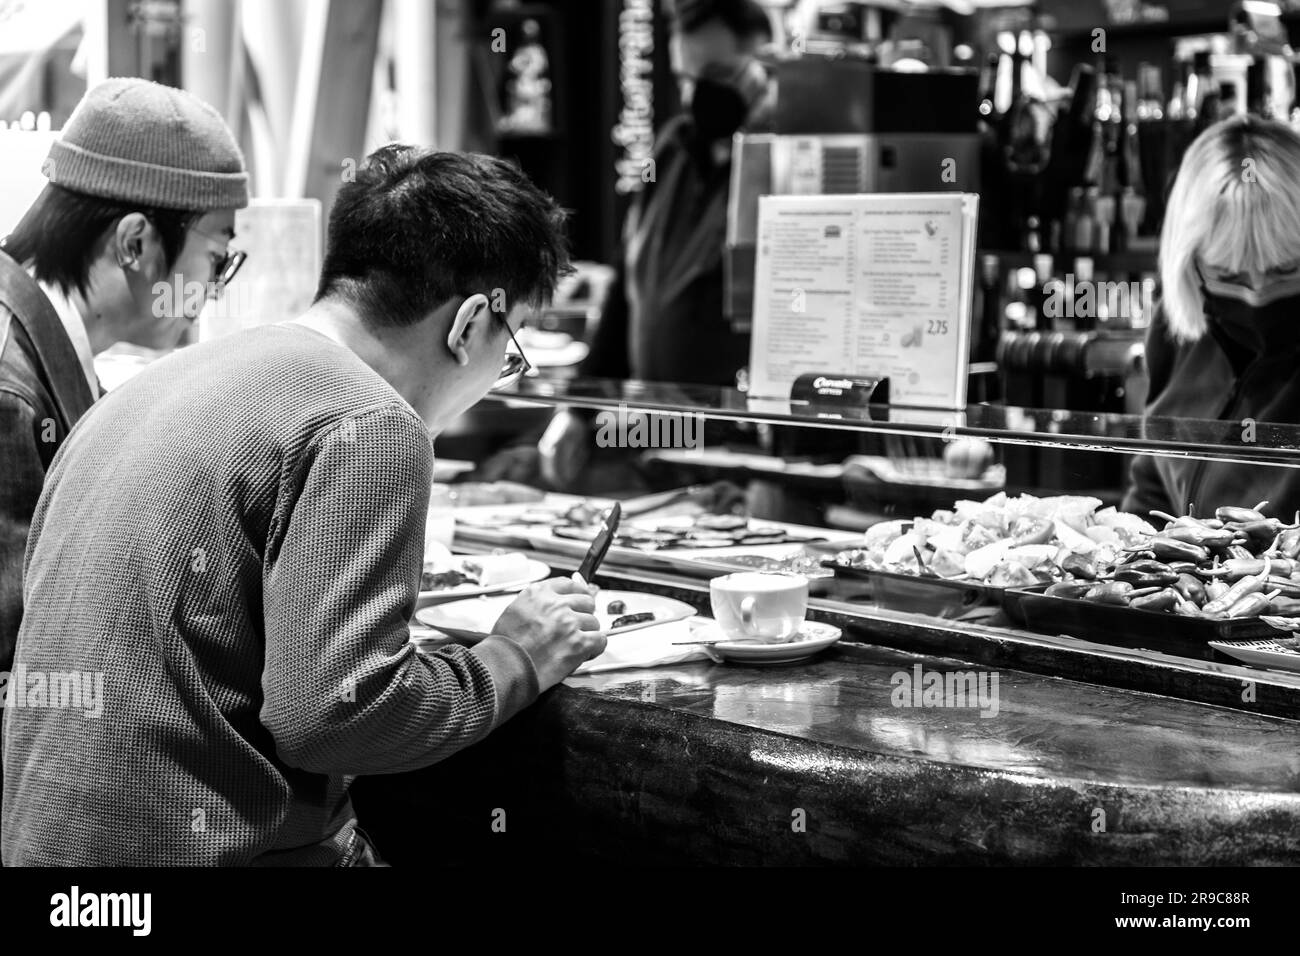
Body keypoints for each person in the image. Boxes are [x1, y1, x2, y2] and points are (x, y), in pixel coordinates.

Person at [2, 146, 606, 866]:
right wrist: (516, 657)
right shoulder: (371, 421)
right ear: (469, 322)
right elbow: (336, 715)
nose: (500, 374)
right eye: (511, 350)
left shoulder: (152, 386)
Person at [0, 77, 248, 808]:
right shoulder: (11, 390)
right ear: (137, 241)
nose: (213, 289)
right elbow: (22, 653)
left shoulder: (45, 351)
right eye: (217, 259)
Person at [538, 0, 773, 489]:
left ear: (763, 64)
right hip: (659, 439)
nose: (696, 96)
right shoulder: (671, 150)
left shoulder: (789, 160)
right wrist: (580, 412)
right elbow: (627, 289)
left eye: (716, 75)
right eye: (685, 79)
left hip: (749, 447)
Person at [1123, 116, 1300, 519]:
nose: (1256, 294)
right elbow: (1150, 493)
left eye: (1284, 270)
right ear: (1191, 265)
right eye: (1229, 274)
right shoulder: (1176, 331)